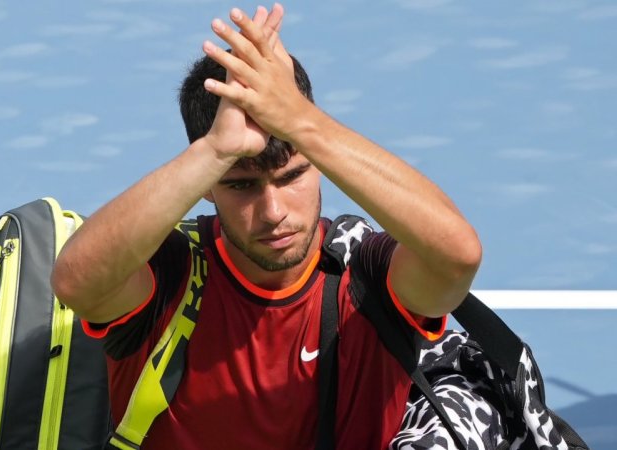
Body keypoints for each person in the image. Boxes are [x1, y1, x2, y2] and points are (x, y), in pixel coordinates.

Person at [51, 4, 482, 449]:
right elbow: (77, 282)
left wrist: (302, 122)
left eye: (292, 175)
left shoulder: (366, 280)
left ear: (317, 162)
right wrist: (216, 150)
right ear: (205, 186)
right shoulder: (170, 276)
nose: (273, 211)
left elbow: (456, 255)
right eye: (241, 185)